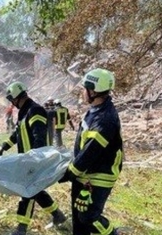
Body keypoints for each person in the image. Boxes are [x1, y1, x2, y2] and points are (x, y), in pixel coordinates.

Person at [0, 81, 66, 235]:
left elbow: (39, 136)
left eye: (12, 100)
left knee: (27, 191)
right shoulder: (24, 112)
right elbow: (17, 134)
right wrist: (4, 146)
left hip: (34, 160)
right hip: (28, 159)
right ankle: (58, 215)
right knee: (35, 190)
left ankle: (21, 228)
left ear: (16, 97)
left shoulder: (35, 110)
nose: (12, 104)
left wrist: (35, 158)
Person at [59, 68, 123, 235]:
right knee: (78, 219)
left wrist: (70, 172)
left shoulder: (105, 118)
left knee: (89, 216)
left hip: (99, 176)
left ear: (93, 90)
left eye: (84, 88)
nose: (82, 92)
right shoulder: (97, 110)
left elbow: (91, 151)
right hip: (84, 173)